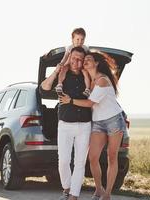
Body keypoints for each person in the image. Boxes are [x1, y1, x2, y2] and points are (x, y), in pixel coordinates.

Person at [59, 51, 128, 200]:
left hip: (113, 120)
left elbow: (90, 103)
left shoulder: (102, 80)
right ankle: (98, 189)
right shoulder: (89, 79)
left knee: (112, 157)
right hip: (97, 121)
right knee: (93, 157)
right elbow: (68, 69)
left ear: (96, 63)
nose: (85, 61)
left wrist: (70, 101)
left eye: (88, 59)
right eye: (85, 59)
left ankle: (107, 194)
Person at [40, 46, 92, 200]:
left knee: (80, 162)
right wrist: (59, 67)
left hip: (84, 125)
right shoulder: (62, 75)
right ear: (70, 58)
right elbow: (44, 88)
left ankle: (73, 196)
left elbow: (92, 99)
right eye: (74, 58)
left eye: (80, 59)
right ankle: (67, 189)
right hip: (65, 125)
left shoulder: (88, 77)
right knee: (63, 161)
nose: (77, 62)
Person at [55, 28, 91, 97]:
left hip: (80, 64)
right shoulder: (70, 48)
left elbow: (87, 57)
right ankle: (59, 84)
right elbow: (65, 57)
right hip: (69, 64)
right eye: (77, 39)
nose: (80, 42)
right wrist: (61, 64)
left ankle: (87, 89)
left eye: (82, 39)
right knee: (64, 69)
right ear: (72, 39)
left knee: (85, 73)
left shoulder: (85, 48)